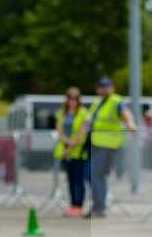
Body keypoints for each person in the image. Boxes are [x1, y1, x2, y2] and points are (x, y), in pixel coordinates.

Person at [82, 77, 137, 218]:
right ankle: (99, 206)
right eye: (101, 87)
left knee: (96, 175)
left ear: (112, 88)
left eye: (107, 87)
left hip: (108, 144)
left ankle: (98, 207)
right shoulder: (98, 103)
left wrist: (131, 123)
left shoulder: (116, 101)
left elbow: (126, 112)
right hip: (96, 143)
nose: (104, 90)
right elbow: (88, 121)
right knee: (97, 176)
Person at [55, 86, 90, 217]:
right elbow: (59, 132)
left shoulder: (83, 113)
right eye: (70, 98)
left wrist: (70, 147)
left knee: (79, 180)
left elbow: (80, 135)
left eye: (75, 98)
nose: (72, 100)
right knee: (70, 179)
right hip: (65, 152)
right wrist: (67, 146)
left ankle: (79, 205)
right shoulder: (61, 114)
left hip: (78, 152)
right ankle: (72, 205)